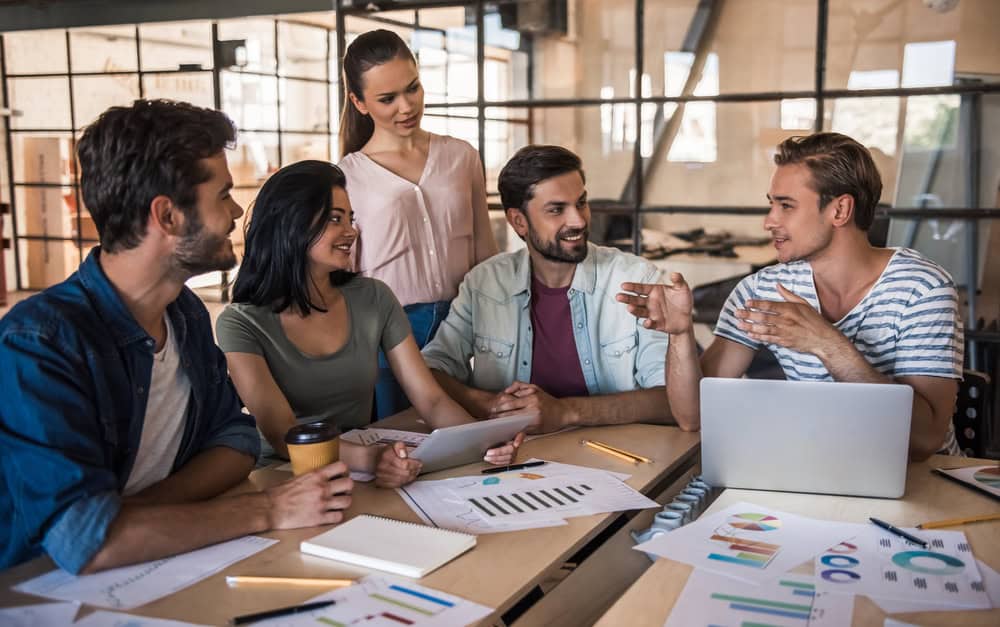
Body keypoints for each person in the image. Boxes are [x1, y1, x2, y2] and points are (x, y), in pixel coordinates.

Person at [0, 100, 354, 575]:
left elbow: (236, 438)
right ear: (167, 216)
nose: (235, 212)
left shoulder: (183, 313)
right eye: (223, 194)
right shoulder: (39, 342)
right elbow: (85, 541)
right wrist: (268, 509)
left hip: (155, 566)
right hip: (43, 589)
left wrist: (134, 516)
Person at [617, 132, 963, 460]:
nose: (769, 221)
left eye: (786, 206)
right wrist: (680, 334)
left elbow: (924, 442)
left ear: (840, 211)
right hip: (822, 466)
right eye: (772, 205)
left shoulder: (924, 289)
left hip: (925, 481)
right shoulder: (761, 288)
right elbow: (694, 416)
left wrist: (827, 344)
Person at [216, 160, 521, 489]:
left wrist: (482, 442)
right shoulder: (240, 323)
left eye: (351, 218)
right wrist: (374, 459)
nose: (351, 231)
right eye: (335, 219)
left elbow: (430, 399)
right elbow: (282, 434)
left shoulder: (373, 298)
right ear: (291, 224)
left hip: (359, 471)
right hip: (282, 478)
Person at [421, 145, 678, 434]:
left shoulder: (636, 279)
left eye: (581, 203)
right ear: (519, 221)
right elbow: (431, 370)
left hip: (618, 456)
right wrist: (488, 404)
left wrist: (566, 412)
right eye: (557, 210)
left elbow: (672, 401)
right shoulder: (484, 283)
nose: (578, 220)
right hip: (516, 458)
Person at [338, 29, 498, 419]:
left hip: (462, 321)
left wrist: (496, 319)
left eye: (413, 89)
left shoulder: (461, 156)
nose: (406, 106)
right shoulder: (346, 176)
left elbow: (484, 250)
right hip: (387, 331)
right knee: (404, 443)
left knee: (470, 434)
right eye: (387, 98)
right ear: (359, 103)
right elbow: (344, 272)